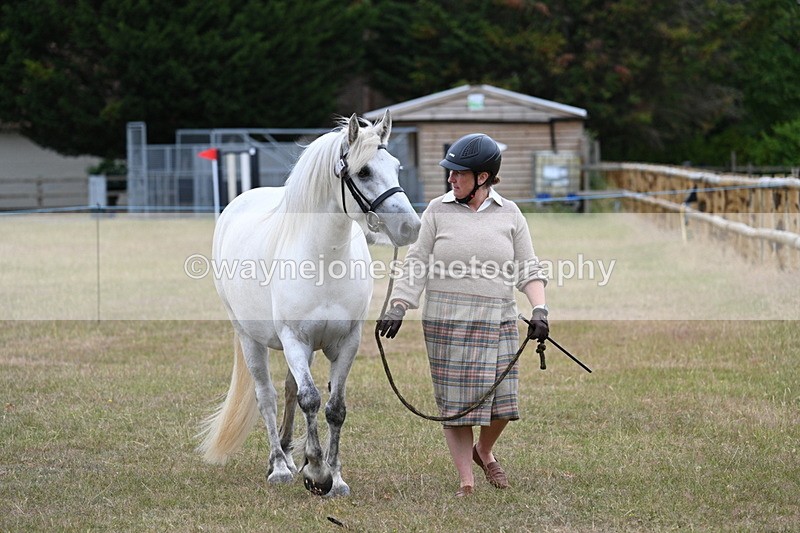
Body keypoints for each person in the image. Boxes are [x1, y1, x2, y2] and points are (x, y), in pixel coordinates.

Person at [377, 133, 549, 497]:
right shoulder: (437, 211)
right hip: (446, 324)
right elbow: (417, 263)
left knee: (504, 404)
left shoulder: (510, 214)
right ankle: (466, 480)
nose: (450, 179)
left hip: (498, 320)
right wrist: (398, 305)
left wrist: (540, 310)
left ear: (482, 177)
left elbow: (529, 268)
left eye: (458, 173)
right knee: (456, 406)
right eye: (449, 173)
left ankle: (483, 451)